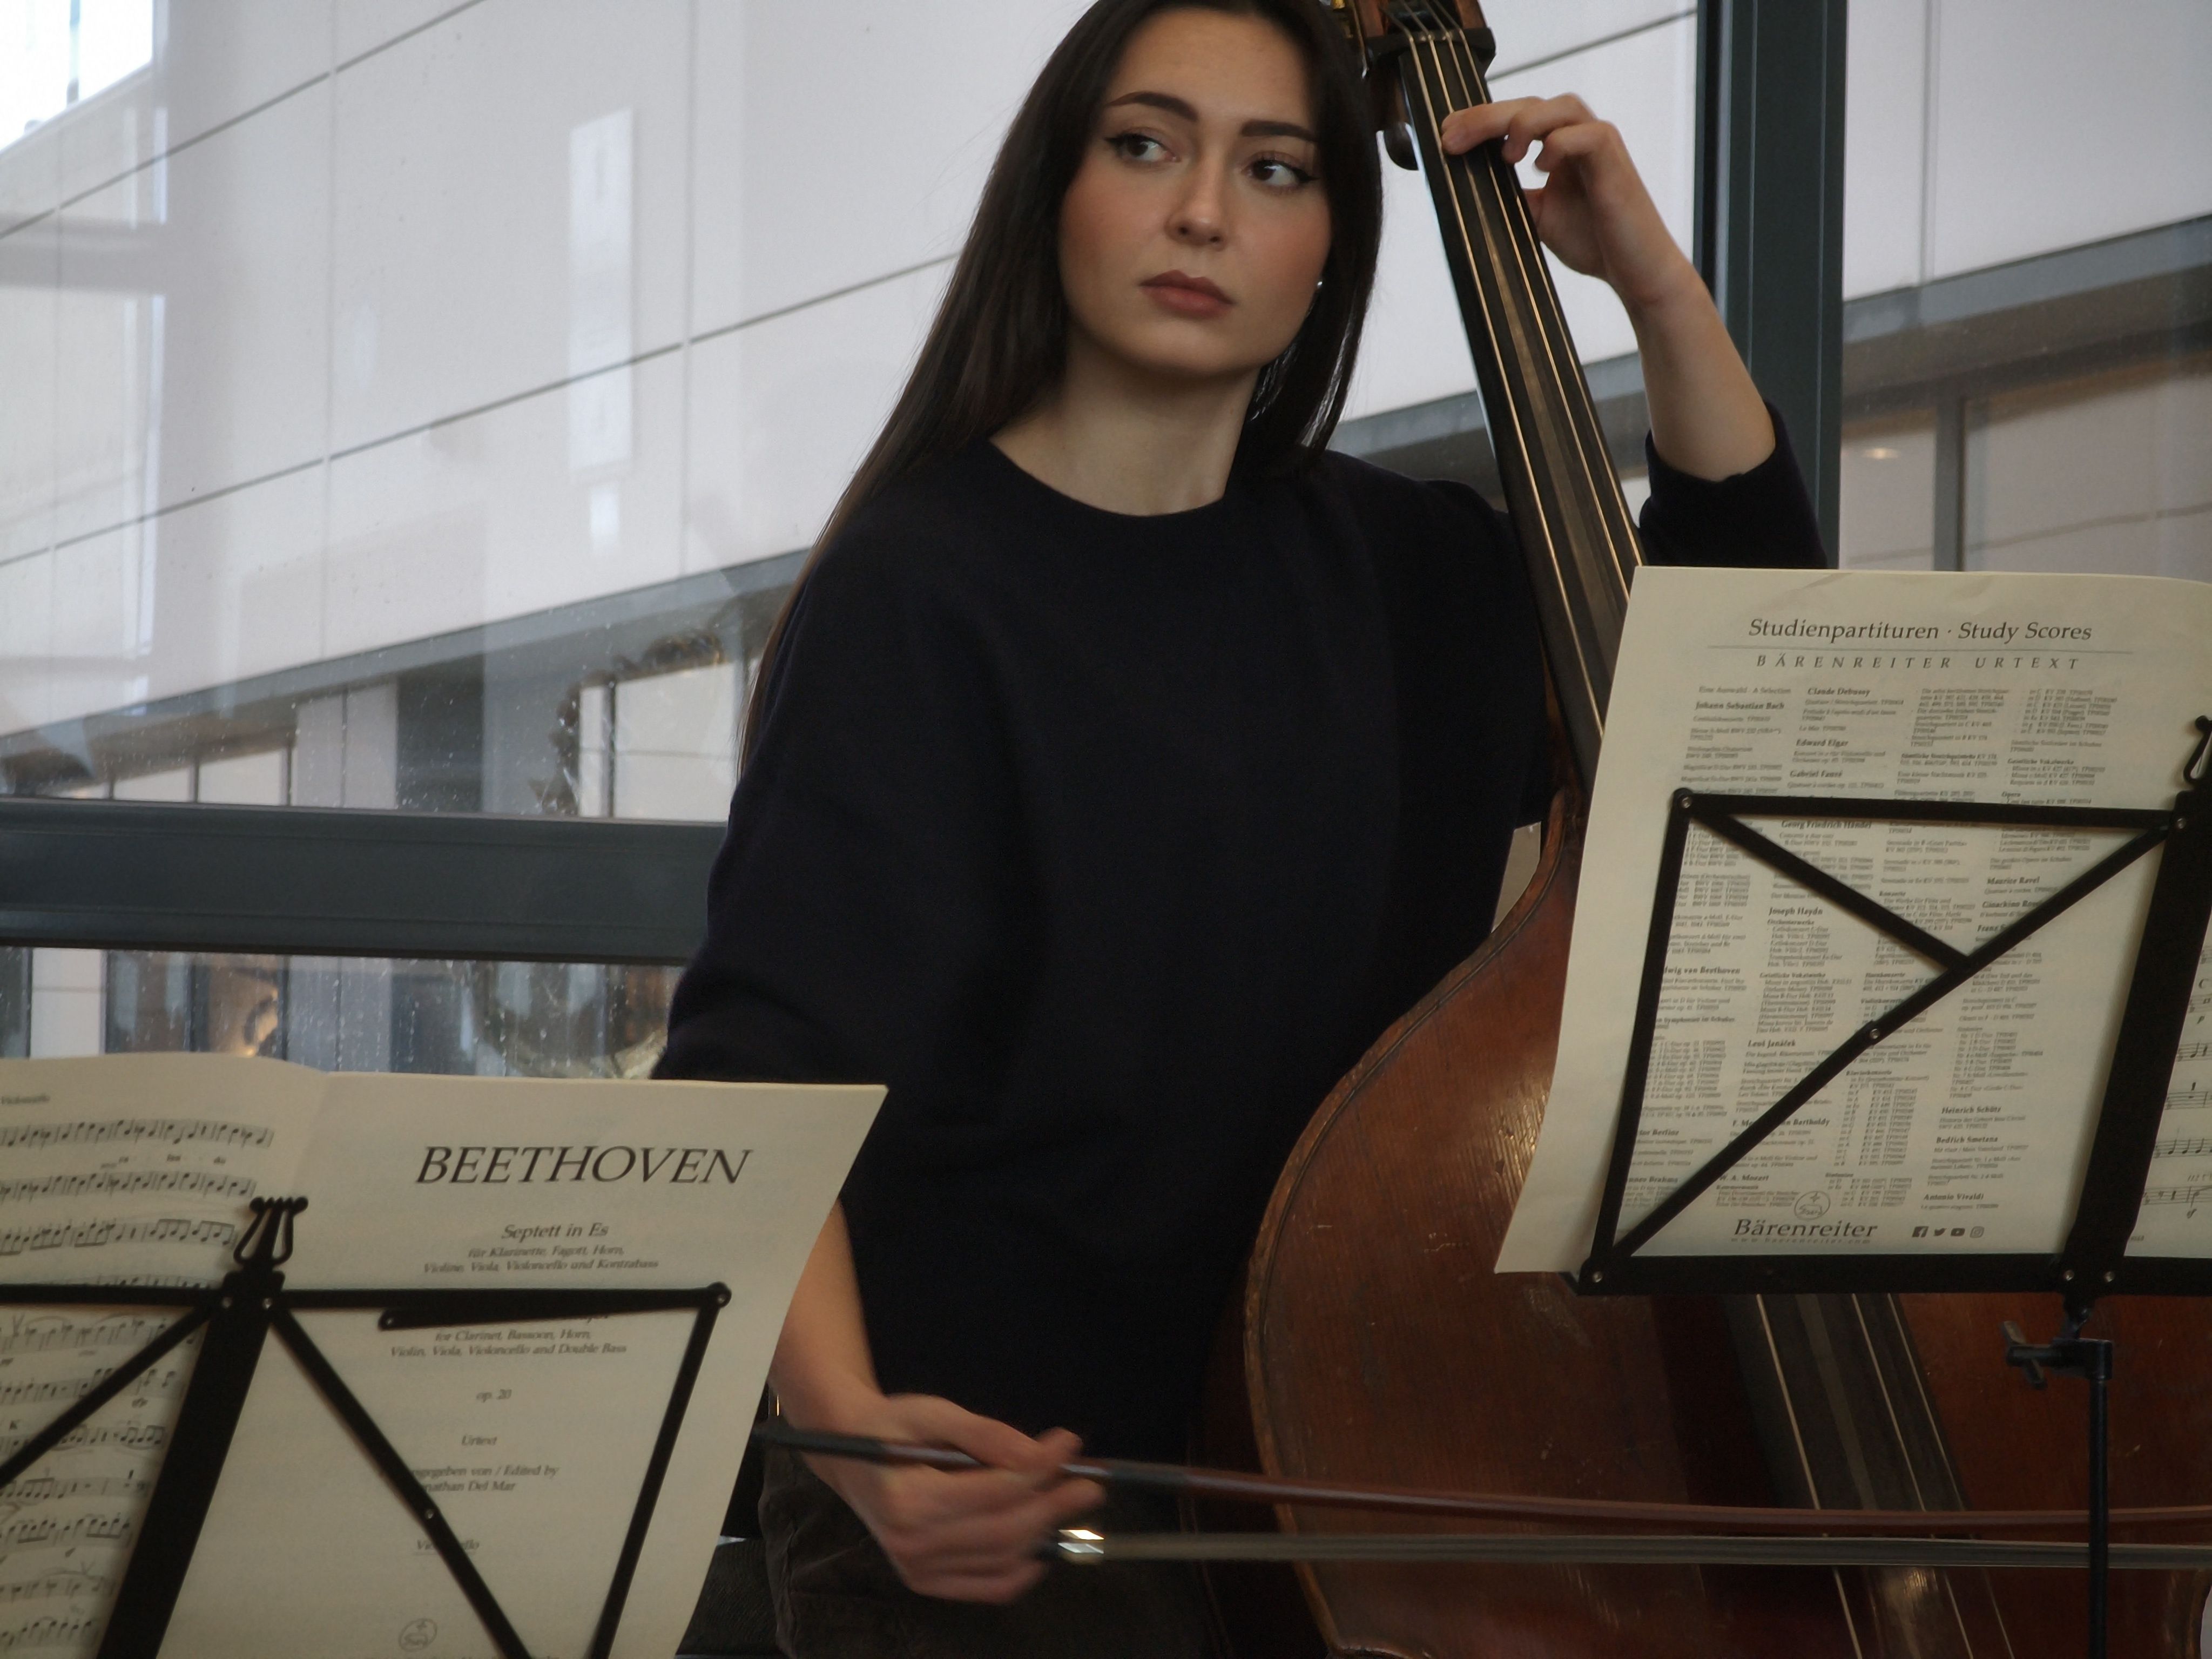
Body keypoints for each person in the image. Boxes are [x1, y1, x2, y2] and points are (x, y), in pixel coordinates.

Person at [657, 0, 1823, 1652]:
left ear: (1333, 247)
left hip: (1340, 1454)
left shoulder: (1410, 575)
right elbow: (758, 1079)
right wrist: (849, 1433)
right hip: (1004, 1489)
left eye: (1275, 169)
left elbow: (1750, 677)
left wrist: (1652, 282)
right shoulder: (915, 592)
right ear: (1052, 194)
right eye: (1147, 146)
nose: (1204, 209)